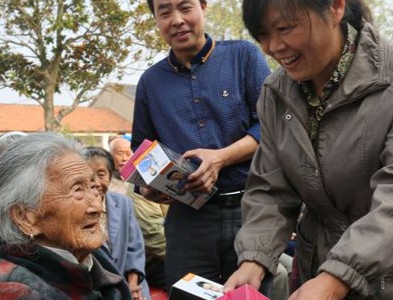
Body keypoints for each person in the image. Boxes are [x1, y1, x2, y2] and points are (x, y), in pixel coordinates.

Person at [224, 0, 393, 299]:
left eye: (285, 28)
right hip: (315, 267)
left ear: (335, 8)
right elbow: (270, 188)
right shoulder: (276, 94)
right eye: (263, 34)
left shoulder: (387, 79)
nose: (274, 47)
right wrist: (255, 257)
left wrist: (337, 277)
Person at [132, 0, 272, 295]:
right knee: (187, 295)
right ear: (156, 18)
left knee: (252, 294)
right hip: (188, 222)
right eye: (165, 12)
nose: (177, 20)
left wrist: (220, 158)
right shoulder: (150, 83)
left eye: (185, 8)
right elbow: (140, 155)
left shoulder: (243, 57)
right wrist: (149, 187)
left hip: (252, 211)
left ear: (203, 7)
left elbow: (272, 127)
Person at [0, 132, 131, 299]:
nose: (97, 207)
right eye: (77, 190)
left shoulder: (97, 259)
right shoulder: (12, 289)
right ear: (25, 217)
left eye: (93, 186)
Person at [81, 146, 152, 300]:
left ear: (110, 175)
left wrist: (133, 283)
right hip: (96, 285)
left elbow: (135, 248)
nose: (96, 182)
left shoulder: (123, 203)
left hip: (129, 278)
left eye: (101, 174)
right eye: (89, 176)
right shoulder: (76, 208)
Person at [109, 137, 168, 291]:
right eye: (119, 153)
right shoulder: (138, 187)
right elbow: (153, 235)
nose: (124, 158)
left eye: (127, 153)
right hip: (155, 259)